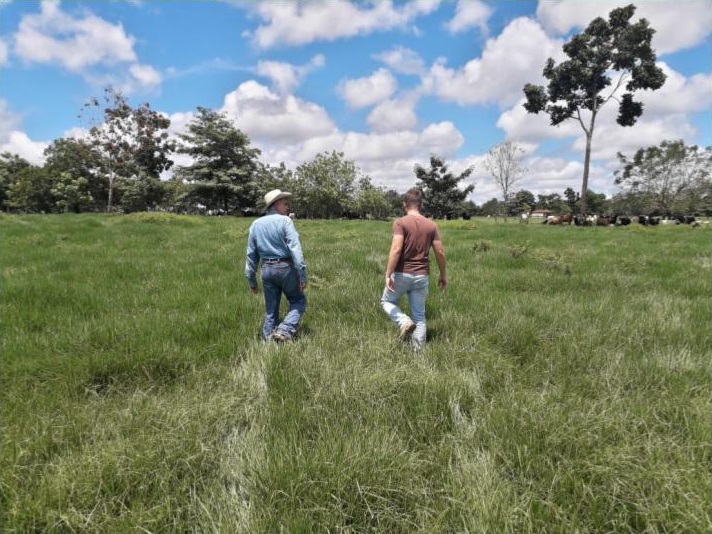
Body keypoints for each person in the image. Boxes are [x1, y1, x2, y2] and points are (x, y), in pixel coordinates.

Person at [380, 188, 447, 349]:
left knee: (387, 301)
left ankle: (403, 321)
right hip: (422, 276)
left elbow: (396, 249)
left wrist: (388, 273)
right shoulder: (431, 225)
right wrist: (443, 275)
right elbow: (440, 251)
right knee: (419, 316)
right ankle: (418, 353)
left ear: (405, 205)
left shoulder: (400, 222)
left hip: (402, 273)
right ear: (421, 205)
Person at [245, 189, 307, 342]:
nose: (287, 207)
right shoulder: (285, 221)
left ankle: (268, 345)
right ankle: (284, 329)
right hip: (286, 268)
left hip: (266, 269)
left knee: (271, 310)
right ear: (277, 204)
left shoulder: (255, 224)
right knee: (298, 301)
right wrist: (302, 274)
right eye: (285, 204)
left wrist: (251, 280)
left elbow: (251, 255)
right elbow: (295, 249)